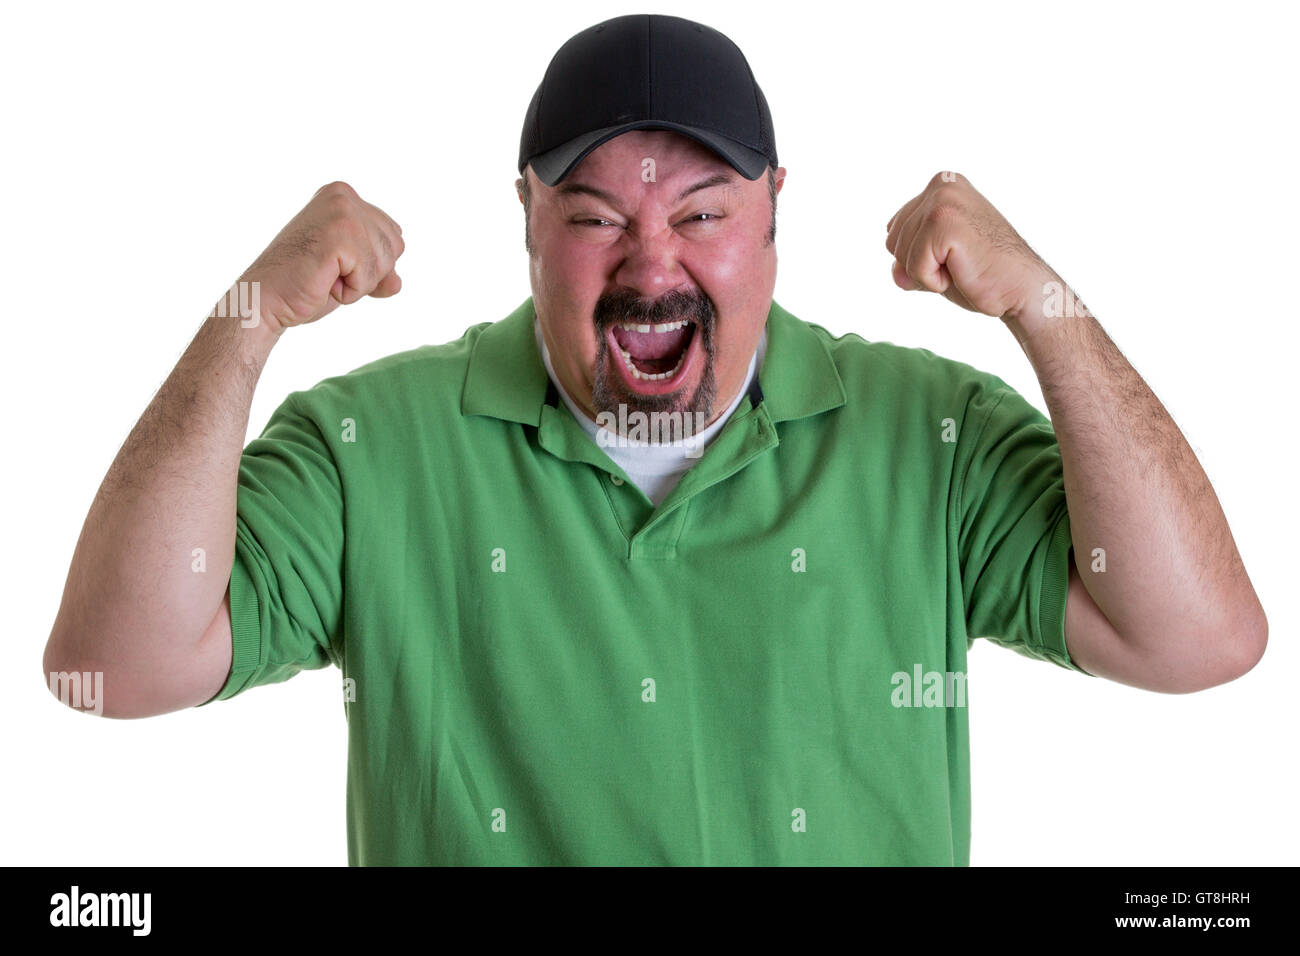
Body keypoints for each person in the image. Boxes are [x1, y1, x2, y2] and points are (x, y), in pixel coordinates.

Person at [44, 14, 1266, 865]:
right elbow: (114, 665)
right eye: (592, 216)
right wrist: (247, 319)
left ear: (776, 209)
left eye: (702, 213)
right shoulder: (374, 445)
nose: (651, 265)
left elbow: (1198, 639)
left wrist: (1040, 303)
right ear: (524, 215)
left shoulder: (925, 434)